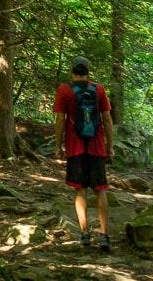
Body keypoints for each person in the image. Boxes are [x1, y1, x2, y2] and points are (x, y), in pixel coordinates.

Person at [53, 56, 115, 251]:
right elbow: (106, 119)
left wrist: (58, 145)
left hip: (75, 146)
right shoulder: (99, 89)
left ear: (72, 71)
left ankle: (85, 234)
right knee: (100, 189)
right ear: (89, 72)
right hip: (96, 146)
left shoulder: (64, 90)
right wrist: (110, 146)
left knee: (80, 189)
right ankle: (104, 235)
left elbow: (61, 120)